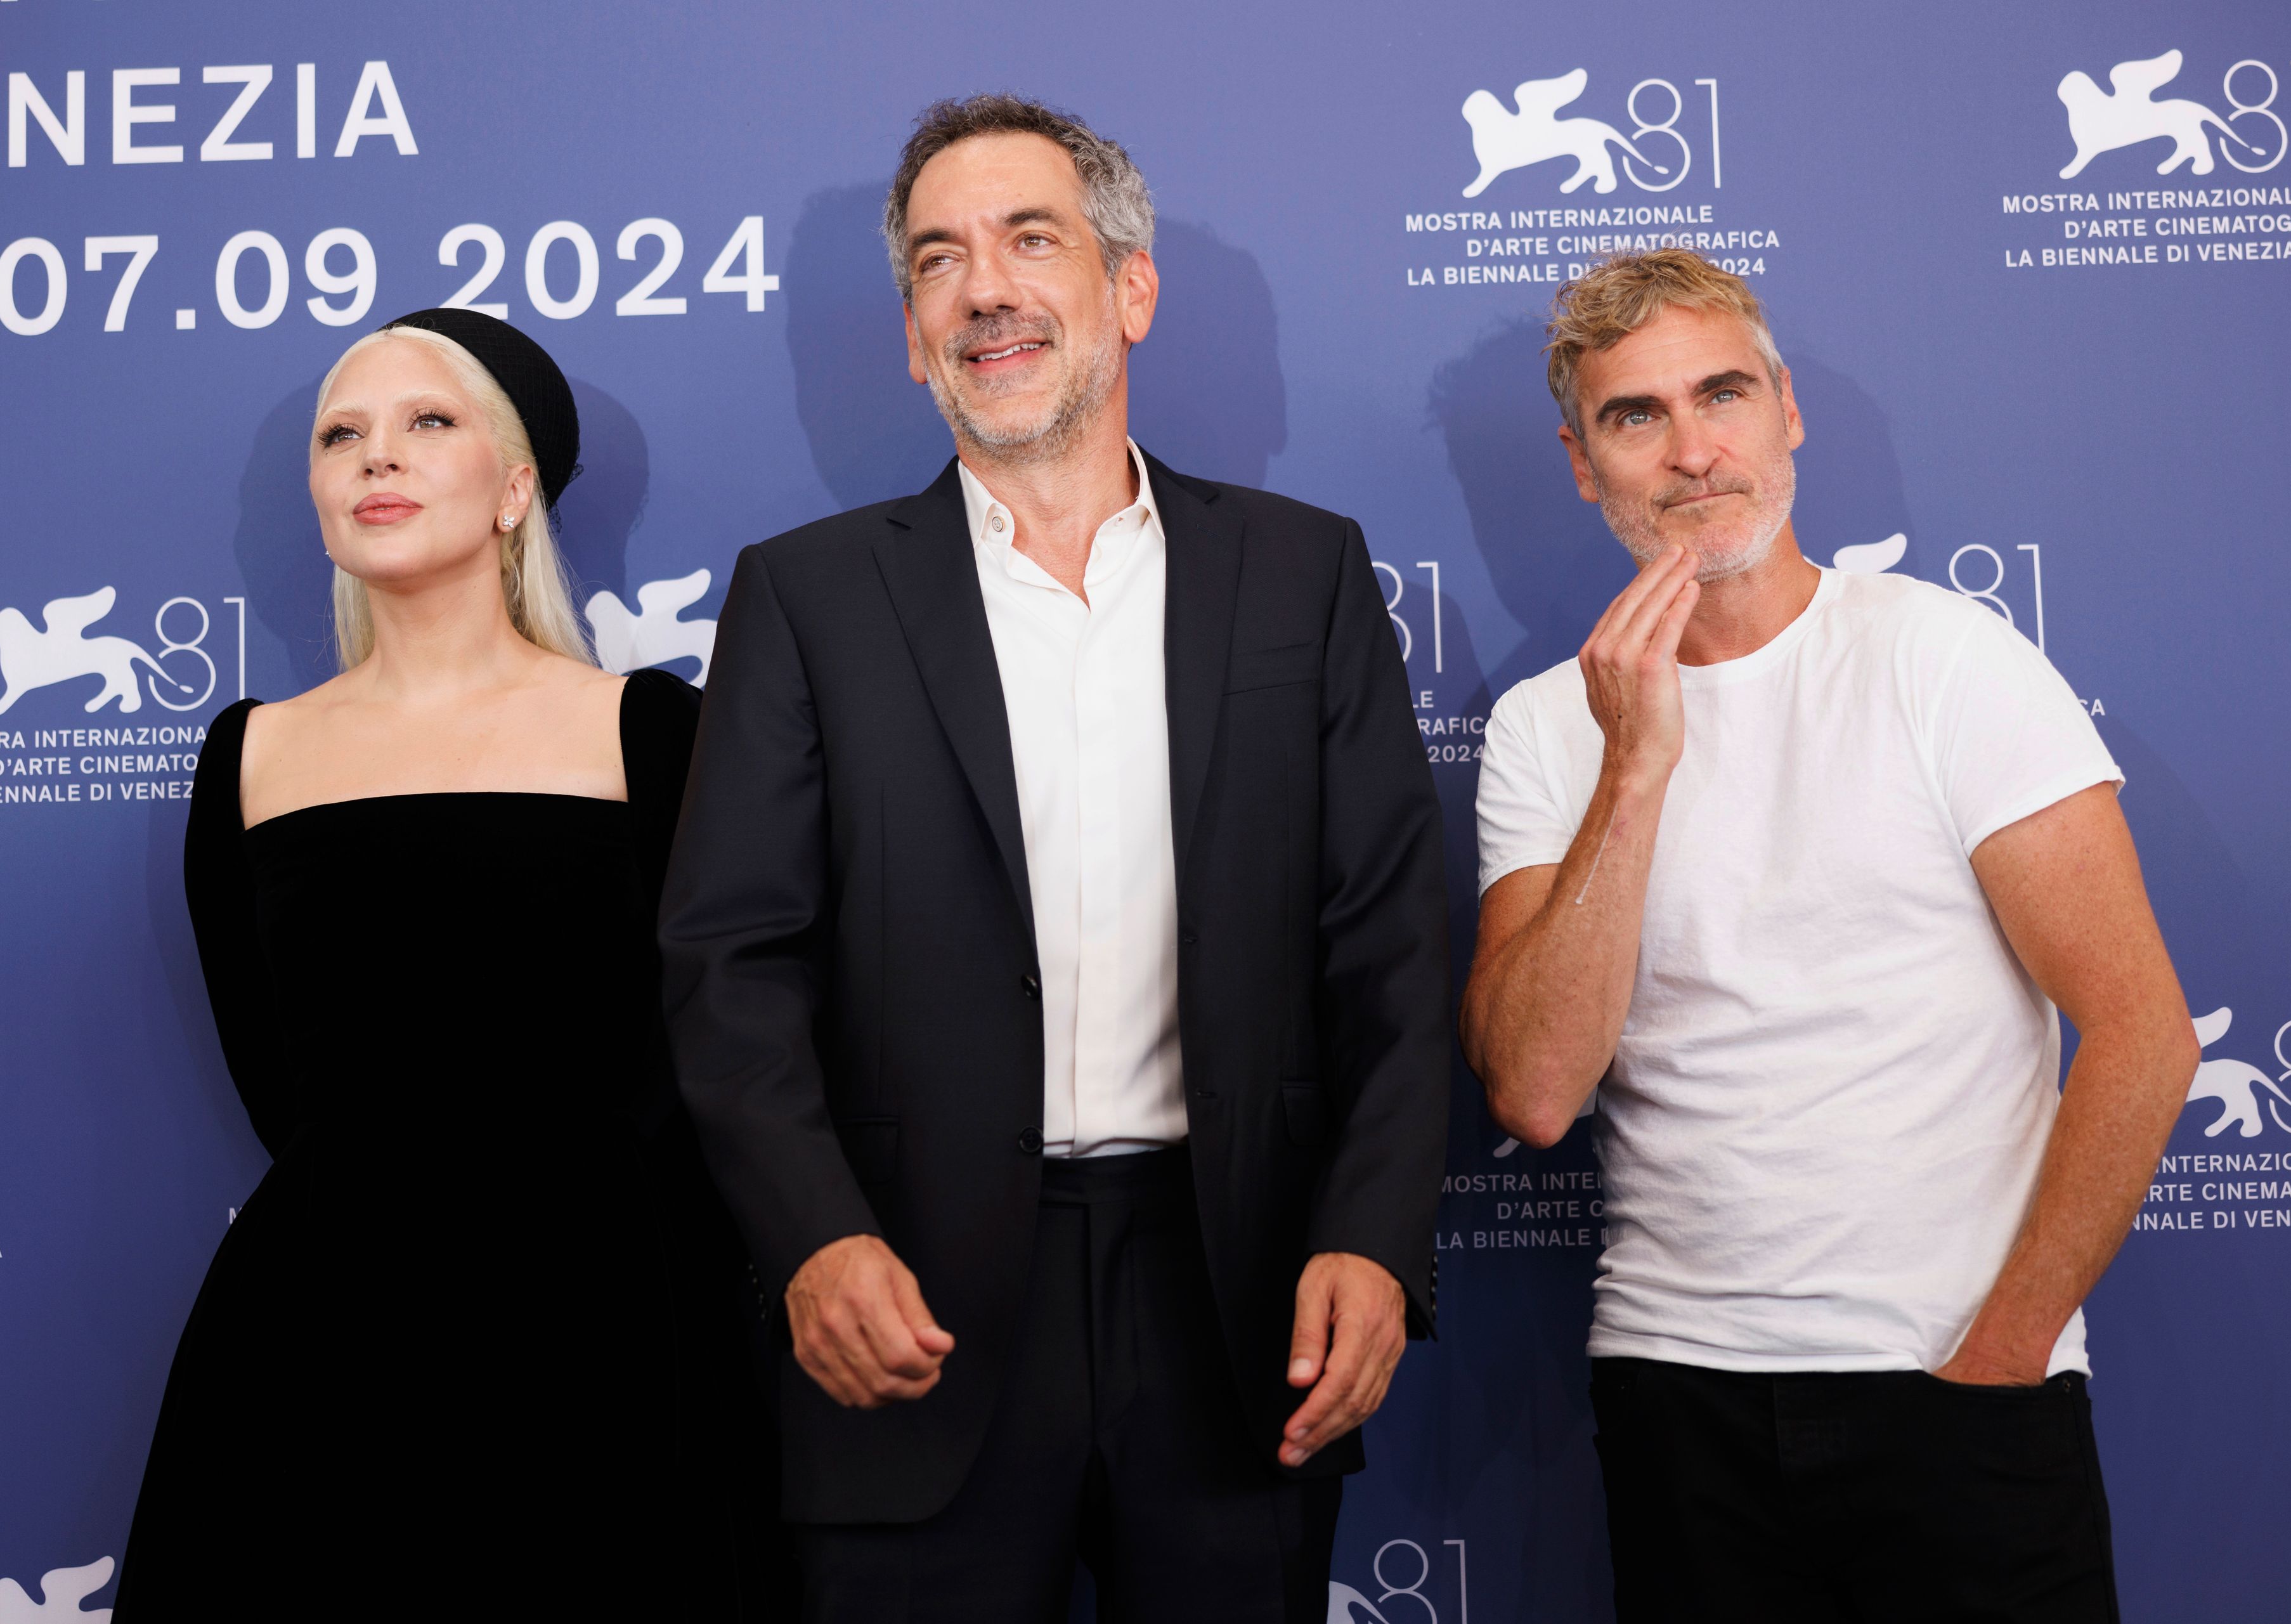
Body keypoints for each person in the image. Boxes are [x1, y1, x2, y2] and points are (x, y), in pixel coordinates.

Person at [661, 95, 1450, 1623]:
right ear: (912, 336)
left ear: (1128, 289)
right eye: (941, 262)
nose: (987, 290)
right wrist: (815, 1236)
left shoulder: (1305, 574)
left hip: (1234, 1308)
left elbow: (1392, 952)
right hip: (908, 1307)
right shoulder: (807, 599)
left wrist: (1373, 1236)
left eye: (1033, 240)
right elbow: (728, 965)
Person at [1458, 249, 2198, 1622]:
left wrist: (2008, 1349)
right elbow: (1538, 1089)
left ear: (1787, 409)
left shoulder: (1944, 659)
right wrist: (1637, 768)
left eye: (1722, 395)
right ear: (1581, 462)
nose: (1693, 452)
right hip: (1681, 1396)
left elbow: (2146, 1033)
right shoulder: (1548, 727)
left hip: (1966, 1388)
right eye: (1638, 417)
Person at [117, 309, 784, 1620]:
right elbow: (276, 1079)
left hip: (609, 1335)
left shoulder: (648, 731)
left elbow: (720, 1045)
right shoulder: (249, 758)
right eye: (342, 436)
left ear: (516, 484)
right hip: (327, 1343)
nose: (379, 459)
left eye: (429, 423)